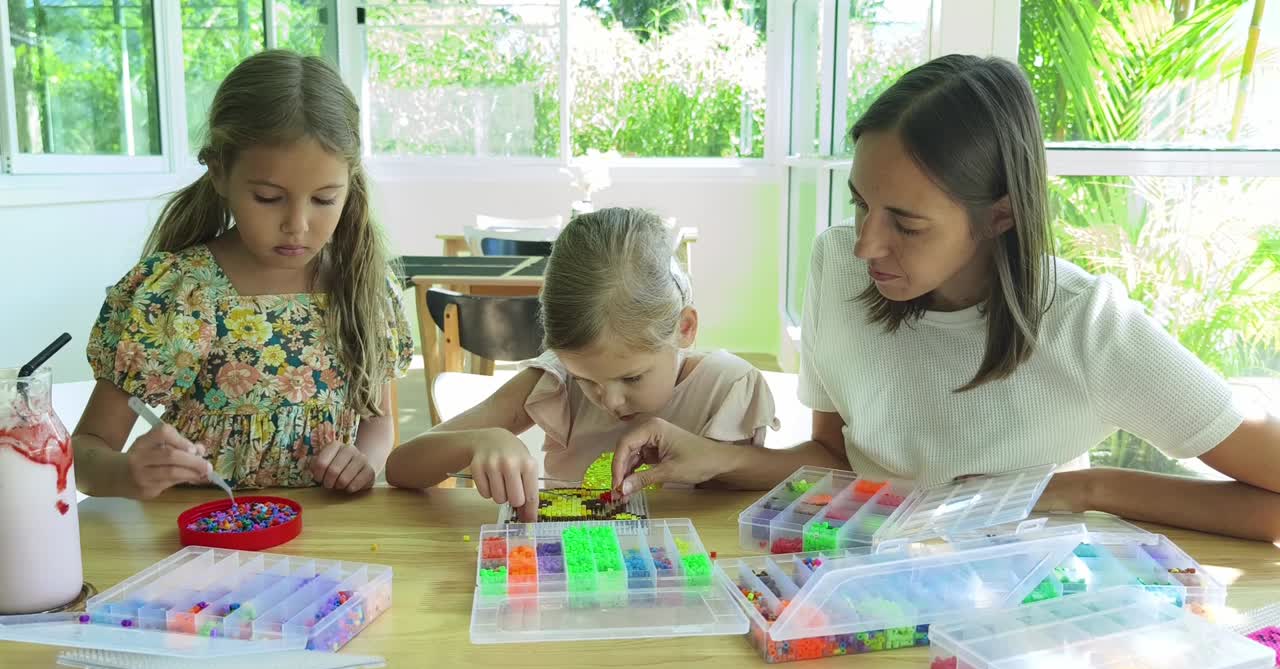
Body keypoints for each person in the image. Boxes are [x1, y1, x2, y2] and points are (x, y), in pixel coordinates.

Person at [606, 55, 1280, 542]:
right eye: (862, 204)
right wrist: (715, 455)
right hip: (858, 578)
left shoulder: (1087, 326)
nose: (867, 245)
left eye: (906, 222)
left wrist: (1084, 488)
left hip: (1003, 611)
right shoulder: (836, 265)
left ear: (1001, 216)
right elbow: (840, 458)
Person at [73, 50, 412, 499]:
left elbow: (380, 424)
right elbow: (84, 451)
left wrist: (364, 463)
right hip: (196, 544)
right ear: (219, 173)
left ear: (350, 182)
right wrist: (126, 473)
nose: (298, 224)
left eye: (325, 199)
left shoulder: (363, 285)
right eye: (269, 198)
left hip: (327, 540)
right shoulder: (176, 294)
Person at [385, 207, 779, 521]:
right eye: (586, 379)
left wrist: (711, 461)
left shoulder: (727, 390)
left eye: (632, 377)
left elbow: (741, 514)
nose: (610, 400)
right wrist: (476, 440)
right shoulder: (557, 379)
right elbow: (401, 468)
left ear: (685, 328)